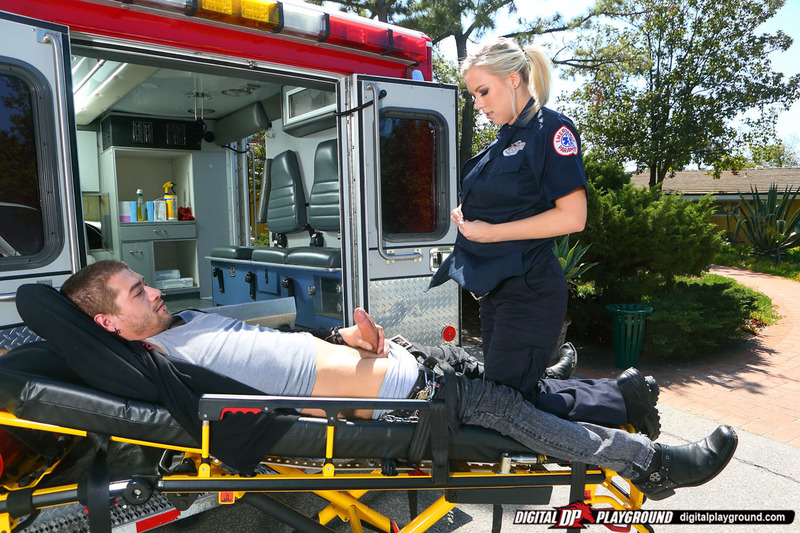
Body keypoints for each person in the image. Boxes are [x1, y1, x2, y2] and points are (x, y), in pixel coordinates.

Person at [60, 260, 738, 501]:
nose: (151, 292)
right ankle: (656, 463)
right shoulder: (171, 365)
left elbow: (283, 353)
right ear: (111, 324)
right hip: (410, 402)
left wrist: (342, 338)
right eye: (134, 292)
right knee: (539, 428)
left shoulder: (184, 325)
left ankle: (600, 395)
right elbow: (242, 420)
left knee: (520, 388)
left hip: (410, 365)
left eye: (143, 282)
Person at [427, 37, 623, 424]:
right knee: (508, 390)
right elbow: (512, 203)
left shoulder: (551, 130)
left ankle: (622, 398)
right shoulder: (505, 139)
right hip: (497, 290)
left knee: (504, 403)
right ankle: (610, 392)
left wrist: (488, 232)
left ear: (514, 79)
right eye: (473, 95)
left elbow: (573, 217)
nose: (478, 103)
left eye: (483, 91)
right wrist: (469, 215)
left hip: (529, 291)